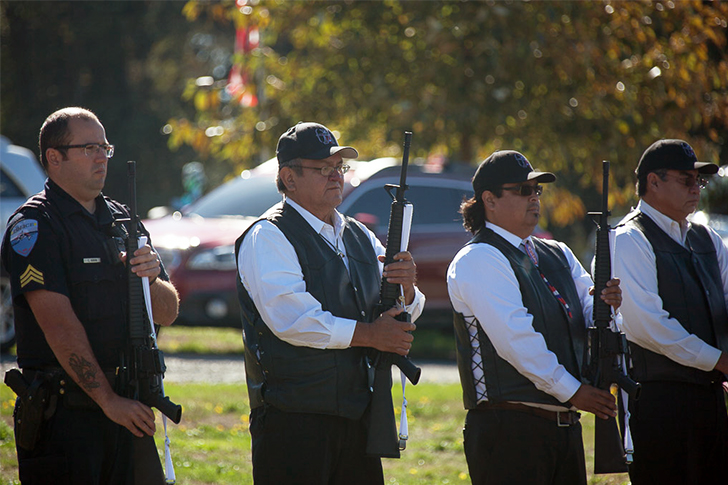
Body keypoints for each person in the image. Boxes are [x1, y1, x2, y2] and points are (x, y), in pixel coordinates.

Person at [235, 121, 425, 484]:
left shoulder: (359, 234)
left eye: (339, 167)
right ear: (289, 179)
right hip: (293, 421)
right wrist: (372, 335)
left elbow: (404, 310)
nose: (336, 176)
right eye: (323, 168)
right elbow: (294, 319)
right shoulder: (268, 235)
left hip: (357, 417)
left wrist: (409, 289)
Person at [0, 107, 180, 484]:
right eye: (88, 148)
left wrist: (150, 278)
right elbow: (59, 326)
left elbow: (167, 312)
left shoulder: (122, 220)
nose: (102, 157)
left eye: (105, 147)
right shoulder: (35, 226)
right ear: (54, 157)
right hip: (67, 415)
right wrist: (108, 402)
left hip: (130, 403)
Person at [446, 150, 622, 485]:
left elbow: (589, 312)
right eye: (523, 190)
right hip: (509, 430)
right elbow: (517, 342)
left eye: (537, 191)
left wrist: (607, 305)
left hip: (563, 429)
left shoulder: (557, 252)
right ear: (489, 200)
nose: (534, 199)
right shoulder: (479, 257)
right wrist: (574, 392)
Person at [612, 139, 728, 485]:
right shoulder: (628, 238)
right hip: (659, 400)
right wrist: (719, 360)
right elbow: (648, 325)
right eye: (685, 180)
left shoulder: (708, 239)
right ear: (653, 182)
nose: (696, 189)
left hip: (708, 397)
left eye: (699, 181)